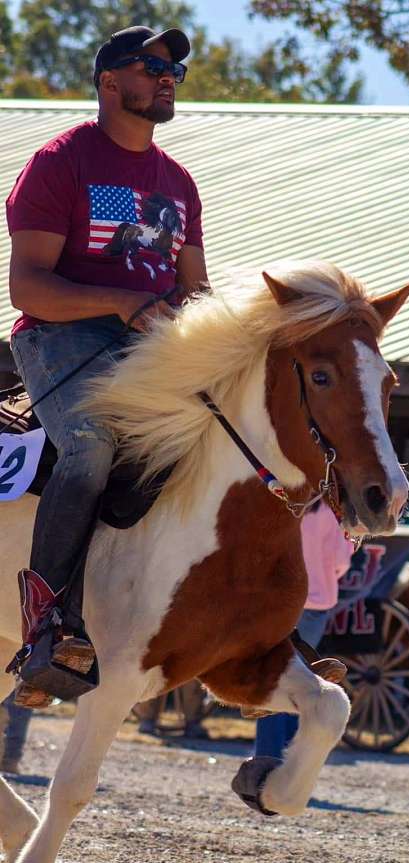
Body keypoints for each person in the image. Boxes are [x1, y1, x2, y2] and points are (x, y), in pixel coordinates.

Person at [5, 25, 210, 708]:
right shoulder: (60, 163)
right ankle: (46, 620)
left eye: (174, 69)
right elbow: (29, 288)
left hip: (147, 346)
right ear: (108, 82)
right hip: (61, 337)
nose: (166, 76)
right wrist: (123, 301)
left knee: (228, 441)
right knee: (90, 445)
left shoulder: (179, 184)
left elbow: (196, 294)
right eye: (150, 66)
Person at [255, 500, 354, 759]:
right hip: (315, 603)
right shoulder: (332, 514)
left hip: (280, 600)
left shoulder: (282, 507)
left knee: (278, 675)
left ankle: (270, 751)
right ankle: (283, 753)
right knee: (297, 679)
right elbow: (340, 561)